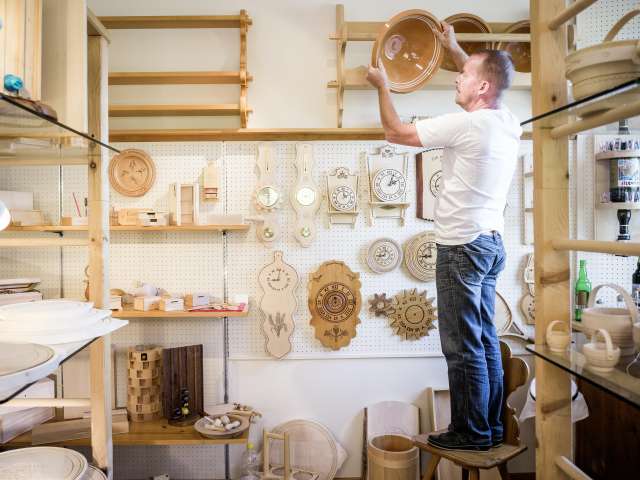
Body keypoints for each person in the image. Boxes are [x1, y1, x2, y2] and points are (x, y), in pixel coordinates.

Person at [366, 21, 522, 451]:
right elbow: (486, 76)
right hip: (489, 244)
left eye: (464, 74)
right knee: (484, 341)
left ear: (482, 87)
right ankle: (489, 428)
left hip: (462, 247)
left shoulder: (468, 125)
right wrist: (454, 48)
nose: (457, 77)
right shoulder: (507, 121)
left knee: (462, 346)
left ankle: (471, 432)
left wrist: (382, 86)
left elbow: (395, 133)